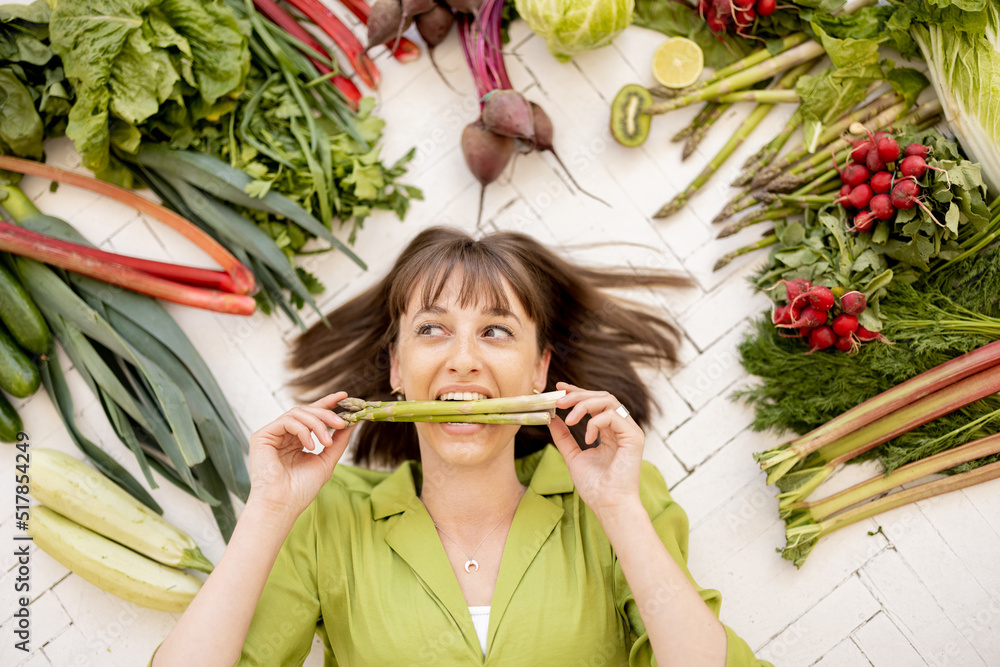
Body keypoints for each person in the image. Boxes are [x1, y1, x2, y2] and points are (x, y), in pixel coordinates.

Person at [152, 227, 771, 666]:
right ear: (397, 367)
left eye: (496, 331)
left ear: (539, 369)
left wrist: (617, 509)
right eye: (433, 330)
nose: (464, 360)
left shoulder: (620, 497)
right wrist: (268, 510)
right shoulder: (328, 515)